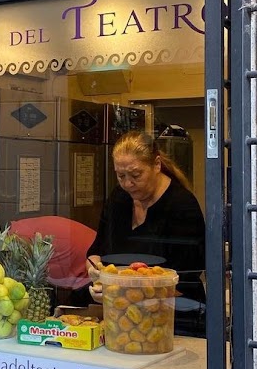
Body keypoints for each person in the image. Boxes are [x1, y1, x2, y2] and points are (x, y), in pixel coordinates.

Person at [87, 130, 205, 307]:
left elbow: (182, 279)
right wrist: (96, 273)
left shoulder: (182, 206)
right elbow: (96, 251)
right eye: (121, 176)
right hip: (120, 314)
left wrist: (121, 291)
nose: (127, 184)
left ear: (156, 164)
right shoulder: (118, 198)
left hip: (174, 314)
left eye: (136, 175)